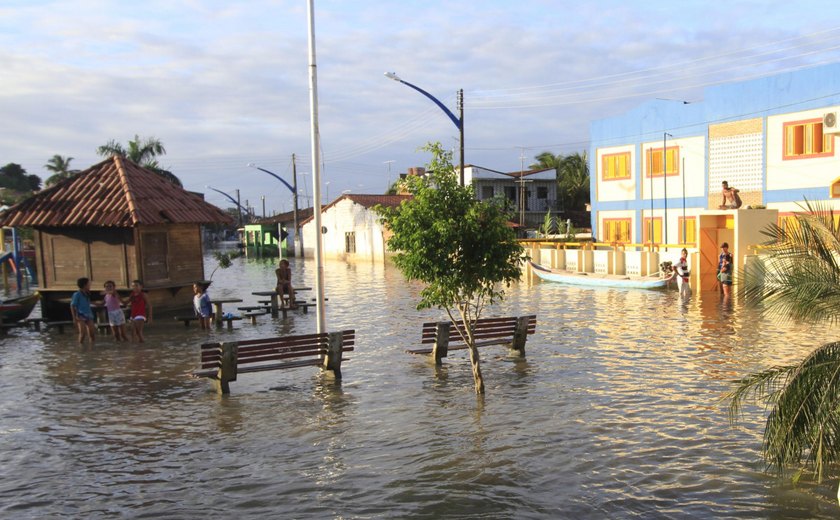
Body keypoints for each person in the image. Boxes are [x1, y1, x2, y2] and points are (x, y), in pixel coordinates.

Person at [70, 277, 96, 345]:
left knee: (92, 334)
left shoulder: (87, 293)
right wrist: (74, 318)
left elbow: (88, 302)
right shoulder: (77, 294)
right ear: (85, 285)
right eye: (89, 284)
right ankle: (81, 347)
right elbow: (72, 305)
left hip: (89, 314)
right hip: (80, 315)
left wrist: (98, 304)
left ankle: (92, 347)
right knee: (82, 334)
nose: (90, 285)